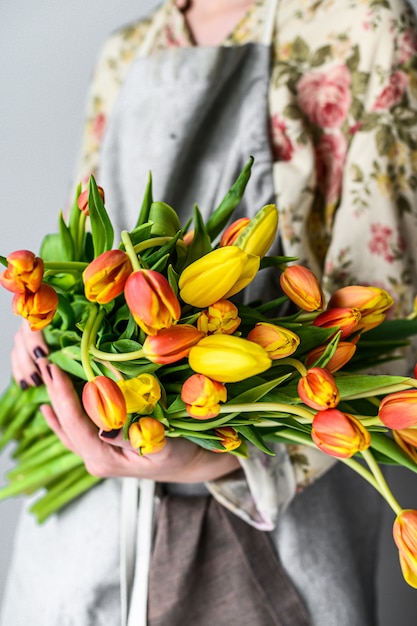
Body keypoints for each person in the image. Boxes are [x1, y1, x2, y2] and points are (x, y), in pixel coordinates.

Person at [2, 0, 417, 624]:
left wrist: (215, 456)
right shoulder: (126, 52)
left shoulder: (364, 26)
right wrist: (44, 329)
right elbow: (83, 253)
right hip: (85, 525)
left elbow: (386, 313)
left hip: (269, 527)